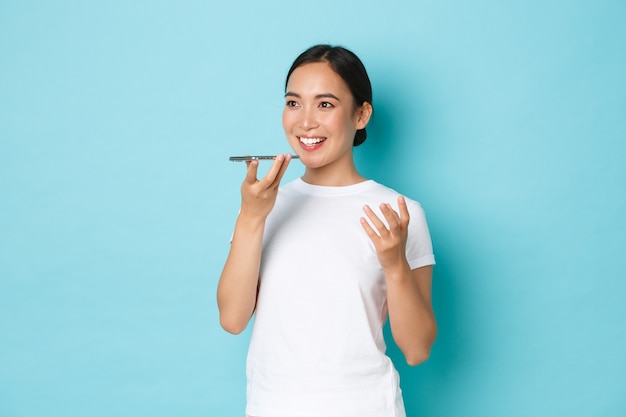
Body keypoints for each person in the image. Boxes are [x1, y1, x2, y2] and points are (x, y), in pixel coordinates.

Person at [217, 44, 437, 417]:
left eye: (325, 104)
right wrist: (251, 219)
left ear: (361, 115)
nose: (305, 122)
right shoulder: (264, 206)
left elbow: (416, 350)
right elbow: (233, 319)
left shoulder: (400, 213)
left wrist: (395, 264)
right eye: (293, 103)